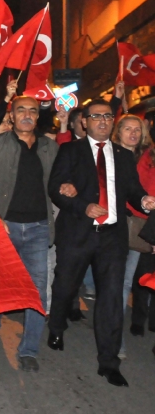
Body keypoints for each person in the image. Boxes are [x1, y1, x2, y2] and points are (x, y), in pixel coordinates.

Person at [47, 100, 155, 387]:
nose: (103, 122)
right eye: (97, 117)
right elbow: (56, 188)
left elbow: (132, 189)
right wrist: (82, 206)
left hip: (111, 237)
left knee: (110, 298)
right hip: (78, 233)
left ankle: (109, 362)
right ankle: (56, 325)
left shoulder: (121, 155)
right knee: (65, 287)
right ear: (84, 122)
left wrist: (143, 200)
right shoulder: (70, 150)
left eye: (108, 116)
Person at [0, 96, 59, 373]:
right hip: (5, 224)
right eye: (20, 110)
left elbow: (57, 184)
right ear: (11, 115)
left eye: (32, 111)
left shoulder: (50, 148)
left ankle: (29, 350)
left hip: (39, 228)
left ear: (37, 117)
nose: (26, 115)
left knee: (37, 290)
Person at [110, 114, 152, 355]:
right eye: (128, 129)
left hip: (137, 227)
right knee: (112, 282)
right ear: (118, 132)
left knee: (124, 282)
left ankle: (116, 339)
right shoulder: (108, 154)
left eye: (138, 129)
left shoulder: (149, 158)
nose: (133, 134)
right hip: (110, 224)